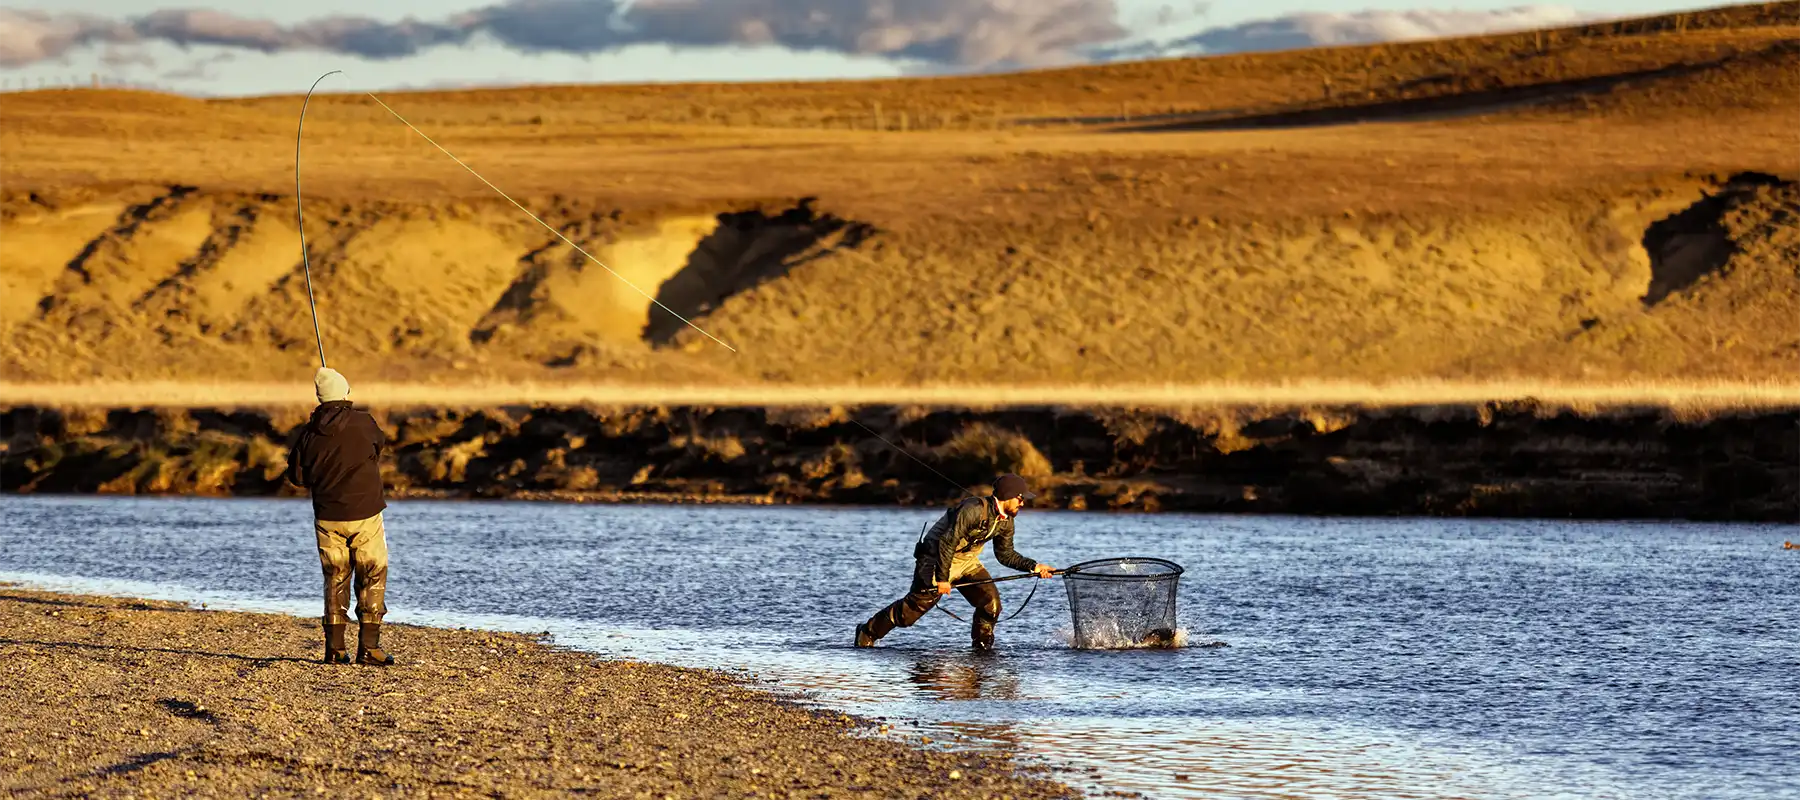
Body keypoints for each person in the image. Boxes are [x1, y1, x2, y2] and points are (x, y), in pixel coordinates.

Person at [855, 474, 1055, 651]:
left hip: (967, 562)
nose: (1022, 503)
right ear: (1007, 495)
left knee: (990, 604)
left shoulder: (1006, 521)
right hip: (935, 558)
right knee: (910, 614)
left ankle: (982, 653)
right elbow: (947, 543)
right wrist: (942, 579)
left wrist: (1034, 566)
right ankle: (867, 633)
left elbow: (1005, 554)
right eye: (1020, 498)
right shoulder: (972, 509)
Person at [284, 367, 395, 666]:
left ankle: (335, 651)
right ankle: (369, 649)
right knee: (372, 575)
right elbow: (378, 446)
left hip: (328, 516)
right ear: (345, 392)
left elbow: (296, 476)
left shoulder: (308, 434)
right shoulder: (364, 422)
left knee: (335, 578)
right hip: (366, 513)